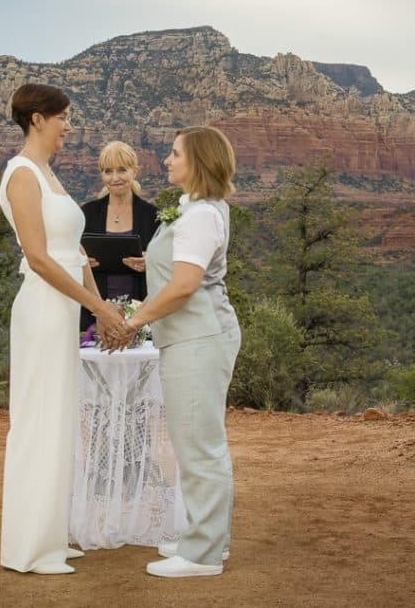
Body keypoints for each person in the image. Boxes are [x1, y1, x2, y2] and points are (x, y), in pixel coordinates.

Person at [0, 83, 129, 575]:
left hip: (65, 310)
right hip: (41, 310)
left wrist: (100, 311)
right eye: (63, 118)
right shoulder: (22, 175)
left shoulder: (49, 174)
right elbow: (38, 257)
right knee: (36, 421)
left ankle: (50, 535)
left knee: (58, 420)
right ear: (37, 119)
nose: (68, 127)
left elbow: (74, 254)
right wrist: (94, 304)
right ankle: (28, 549)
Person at [105, 126, 241, 578]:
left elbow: (185, 287)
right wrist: (153, 263)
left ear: (198, 161)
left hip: (198, 339)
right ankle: (207, 539)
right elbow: (183, 267)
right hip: (189, 337)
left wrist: (134, 321)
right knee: (193, 440)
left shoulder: (201, 214)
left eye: (175, 153)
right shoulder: (195, 209)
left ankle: (203, 554)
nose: (166, 160)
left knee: (200, 445)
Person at [79, 141, 160, 331]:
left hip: (141, 315)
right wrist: (81, 263)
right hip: (94, 317)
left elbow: (170, 266)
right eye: (108, 171)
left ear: (135, 171)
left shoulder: (152, 216)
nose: (115, 178)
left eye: (122, 170)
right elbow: (69, 257)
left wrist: (152, 260)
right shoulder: (87, 213)